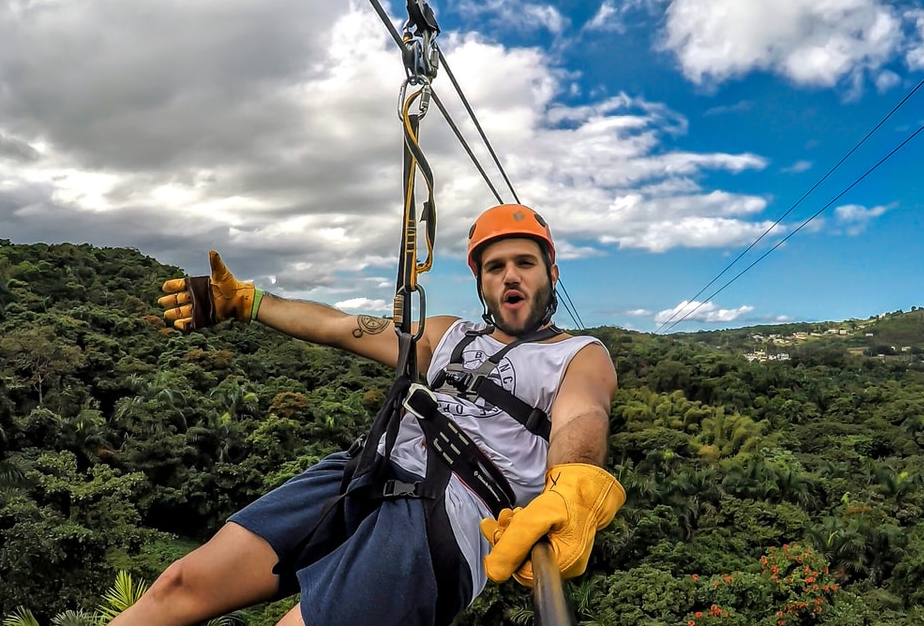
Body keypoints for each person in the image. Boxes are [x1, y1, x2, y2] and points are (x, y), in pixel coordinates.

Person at [110, 204, 625, 626]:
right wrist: (248, 302)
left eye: (525, 262)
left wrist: (572, 486)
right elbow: (341, 326)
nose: (510, 275)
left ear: (550, 273)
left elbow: (583, 415)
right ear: (482, 284)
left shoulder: (580, 354)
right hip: (364, 470)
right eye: (495, 267)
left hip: (447, 515)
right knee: (182, 584)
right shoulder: (449, 335)